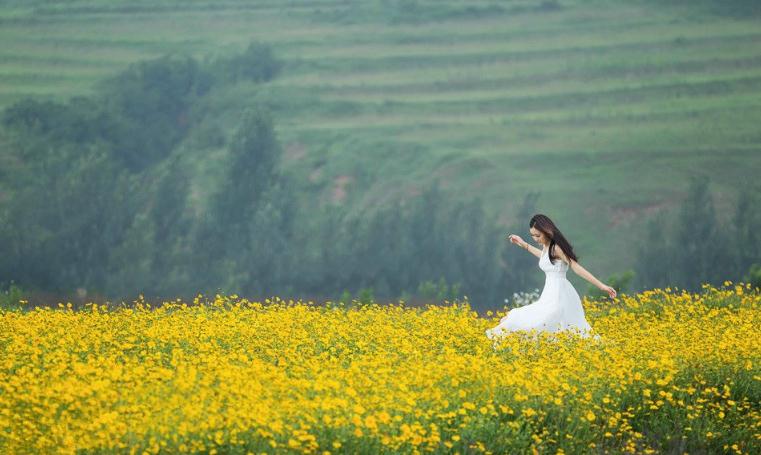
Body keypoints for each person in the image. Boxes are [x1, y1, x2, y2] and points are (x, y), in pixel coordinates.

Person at [486, 214, 616, 343]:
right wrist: (523, 244)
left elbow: (576, 267)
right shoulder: (546, 247)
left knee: (542, 322)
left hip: (559, 294)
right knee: (537, 323)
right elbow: (544, 258)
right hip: (548, 294)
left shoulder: (556, 248)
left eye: (538, 235)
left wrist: (602, 286)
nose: (535, 239)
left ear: (546, 231)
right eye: (533, 235)